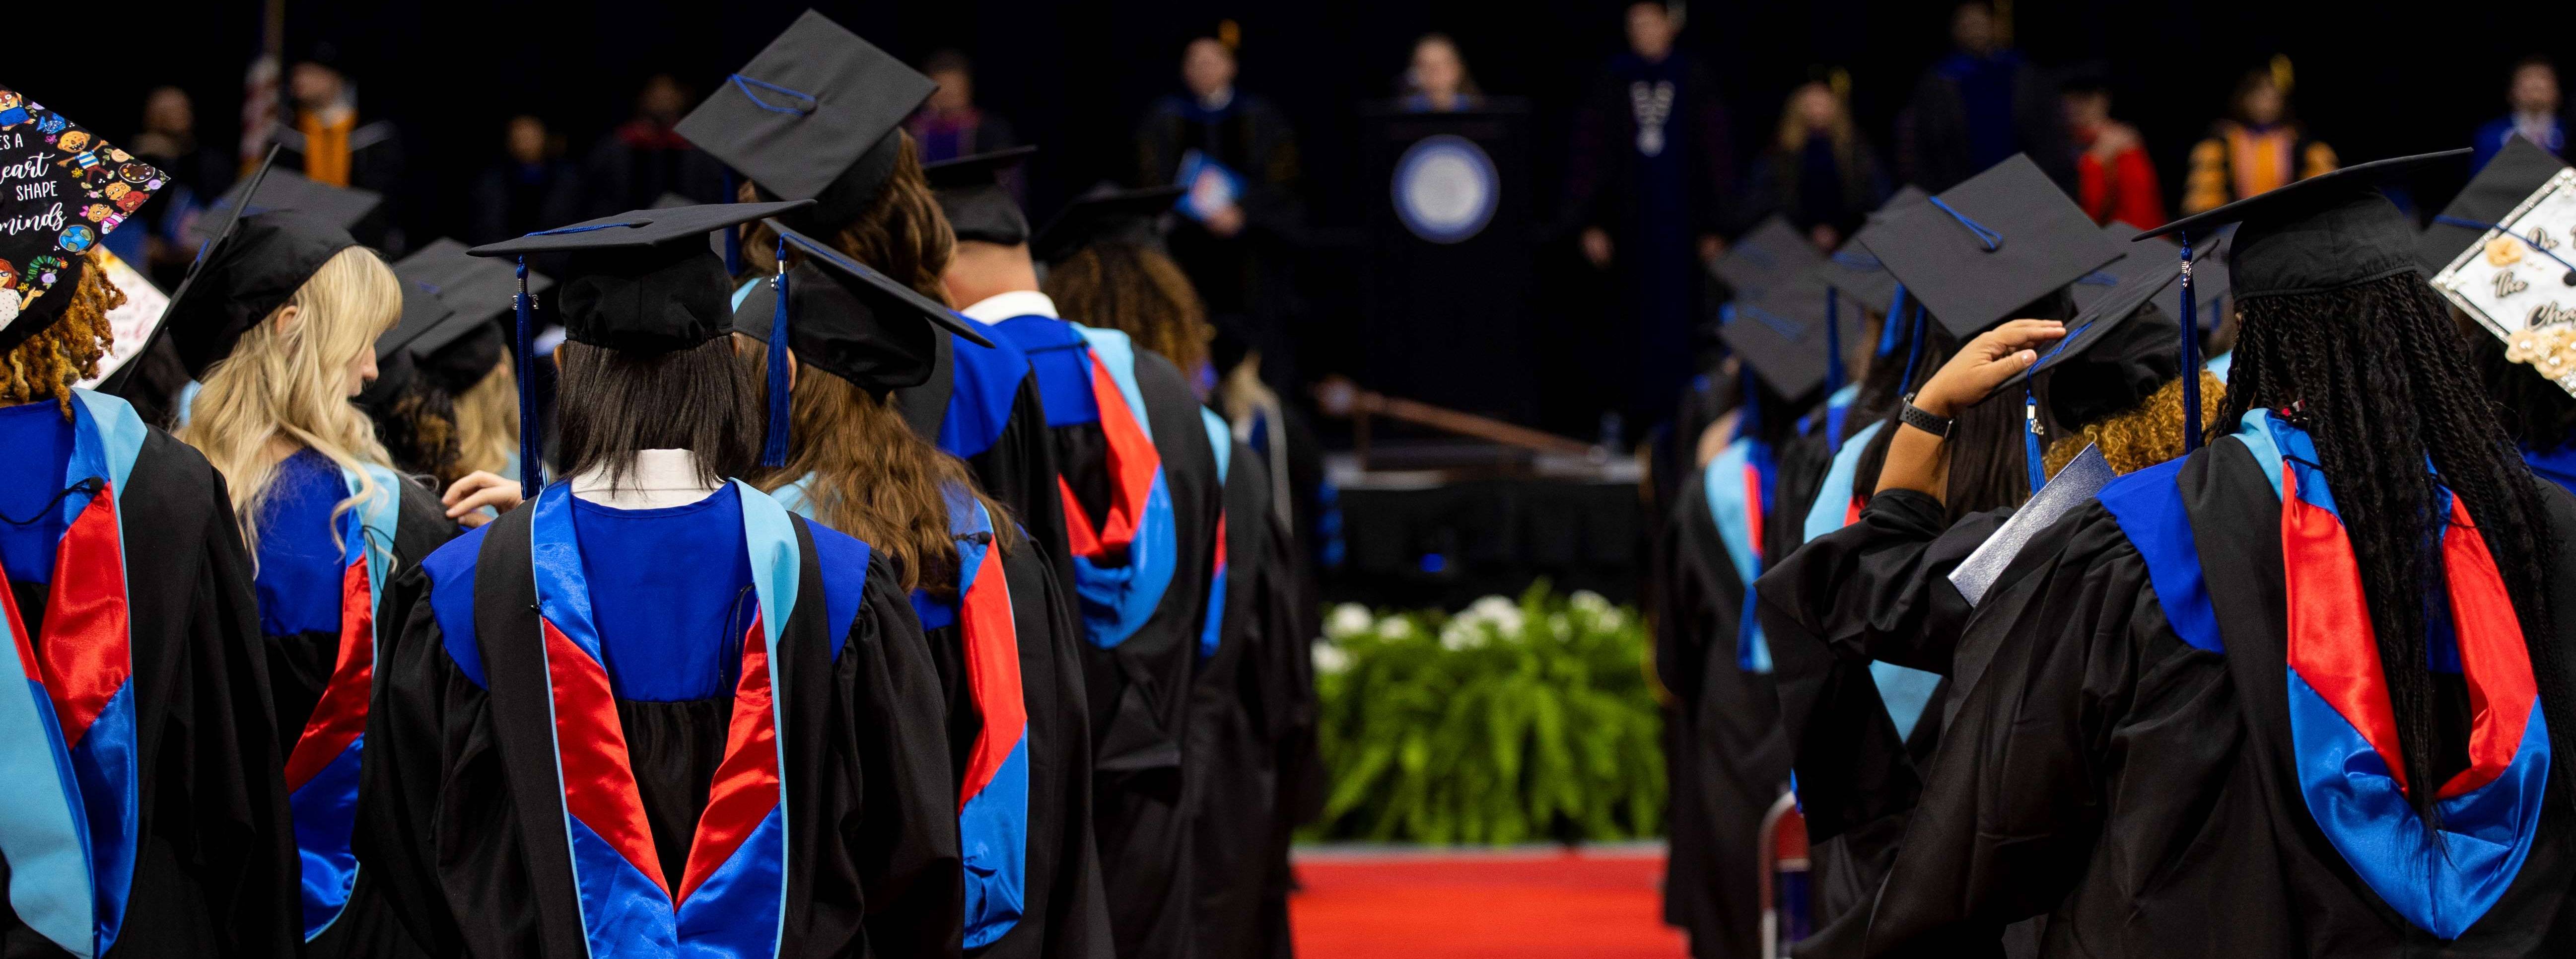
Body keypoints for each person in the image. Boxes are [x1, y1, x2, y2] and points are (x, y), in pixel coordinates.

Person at [1859, 148, 2576, 953]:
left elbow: (2003, 811)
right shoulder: (2530, 528)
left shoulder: (2145, 535)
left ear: (2251, 337)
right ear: (2419, 330)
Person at [361, 200, 965, 957]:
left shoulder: (461, 593)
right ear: (728, 369)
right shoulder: (837, 585)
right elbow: (913, 859)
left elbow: (408, 852)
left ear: (562, 366)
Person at [733, 222, 1113, 958]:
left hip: (843, 914)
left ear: (785, 376)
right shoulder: (991, 538)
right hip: (989, 910)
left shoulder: (782, 545)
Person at [0, 89, 303, 959]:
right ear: (86, 297)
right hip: (146, 914)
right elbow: (229, 768)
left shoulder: (165, 480)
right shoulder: (167, 485)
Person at [682, 18, 1075, 603]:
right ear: (907, 191)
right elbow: (1034, 585)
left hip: (790, 663)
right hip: (961, 666)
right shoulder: (989, 362)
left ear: (764, 204)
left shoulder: (732, 340)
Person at [164, 202, 457, 958]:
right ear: (293, 325)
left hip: (193, 903)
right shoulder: (389, 519)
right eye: (359, 340)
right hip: (363, 909)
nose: (370, 370)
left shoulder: (150, 500)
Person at [1038, 192, 1319, 959]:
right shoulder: (1220, 452)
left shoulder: (1026, 438)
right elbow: (1277, 658)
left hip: (1073, 768)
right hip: (1216, 767)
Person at [1566, 0, 1737, 441]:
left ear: (1670, 25)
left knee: (1679, 322)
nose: (1643, 31)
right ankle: (1627, 419)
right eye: (1635, 24)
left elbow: (1715, 151)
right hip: (1626, 230)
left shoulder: (1693, 77)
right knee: (1623, 325)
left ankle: (1679, 424)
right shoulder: (1612, 78)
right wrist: (1588, 221)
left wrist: (1716, 224)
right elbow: (1589, 152)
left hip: (1680, 228)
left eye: (1651, 22)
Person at [1134, 30, 1307, 393]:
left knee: (1257, 329)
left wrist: (1242, 212)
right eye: (1194, 62)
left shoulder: (1260, 117)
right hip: (1188, 246)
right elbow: (1151, 178)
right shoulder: (1164, 119)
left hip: (1249, 251)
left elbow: (1282, 178)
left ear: (1231, 67)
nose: (1203, 69)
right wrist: (1198, 213)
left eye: (1212, 60)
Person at [1893, 1, 2075, 193]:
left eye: (1979, 23)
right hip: (1959, 186)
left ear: (1993, 26)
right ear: (1954, 30)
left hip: (2023, 184)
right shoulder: (1939, 81)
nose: (1974, 30)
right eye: (1966, 24)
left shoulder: (2022, 72)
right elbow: (1926, 142)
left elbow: (2046, 131)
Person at [269, 47, 404, 249]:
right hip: (299, 241)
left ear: (335, 79)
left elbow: (386, 198)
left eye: (311, 73)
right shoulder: (286, 135)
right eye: (297, 73)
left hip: (360, 242)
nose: (299, 80)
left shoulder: (372, 135)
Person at [1742, 78, 1890, 251]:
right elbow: (1765, 199)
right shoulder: (1780, 152)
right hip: (1793, 241)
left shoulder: (1854, 149)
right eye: (1810, 105)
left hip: (1851, 238)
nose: (1817, 111)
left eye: (1823, 104)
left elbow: (1873, 193)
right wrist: (1807, 229)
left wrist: (1840, 228)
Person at [2182, 63, 2339, 214]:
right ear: (2245, 97)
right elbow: (2204, 204)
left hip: (2286, 223)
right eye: (2259, 96)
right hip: (2233, 228)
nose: (2266, 104)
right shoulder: (2222, 143)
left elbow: (2321, 194)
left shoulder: (2300, 144)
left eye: (2273, 98)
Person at [583, 74, 731, 217]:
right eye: (655, 92)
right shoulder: (616, 147)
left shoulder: (698, 150)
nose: (662, 98)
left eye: (668, 91)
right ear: (642, 97)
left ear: (683, 97)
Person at [130, 85, 233, 286]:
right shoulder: (137, 163)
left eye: (180, 109)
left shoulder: (211, 162)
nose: (176, 115)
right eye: (166, 111)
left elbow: (226, 208)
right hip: (150, 268)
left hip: (202, 263)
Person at [2061, 68, 2165, 226]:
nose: (2076, 108)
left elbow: (2142, 215)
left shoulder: (2124, 146)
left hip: (2129, 242)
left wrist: (2094, 163)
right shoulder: (2064, 145)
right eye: (2070, 100)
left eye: (2085, 99)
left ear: (2103, 100)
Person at [468, 115, 583, 245]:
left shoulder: (567, 179)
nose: (525, 145)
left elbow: (568, 223)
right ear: (509, 142)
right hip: (505, 256)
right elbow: (489, 228)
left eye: (530, 138)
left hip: (554, 252)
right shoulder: (492, 183)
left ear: (544, 138)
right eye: (519, 139)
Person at [909, 49, 1022, 166]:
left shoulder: (989, 129)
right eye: (942, 93)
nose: (947, 100)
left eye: (954, 93)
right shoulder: (911, 131)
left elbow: (1006, 174)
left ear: (968, 90)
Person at [2474, 56, 2567, 170]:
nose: (2535, 85)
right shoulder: (2490, 136)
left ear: (2557, 92)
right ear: (2511, 92)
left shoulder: (2569, 133)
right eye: (2527, 81)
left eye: (2542, 81)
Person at [1398, 33, 1483, 113]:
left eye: (1443, 63)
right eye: (1425, 65)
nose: (1435, 71)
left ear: (1458, 68)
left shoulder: (1478, 111)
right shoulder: (1400, 113)